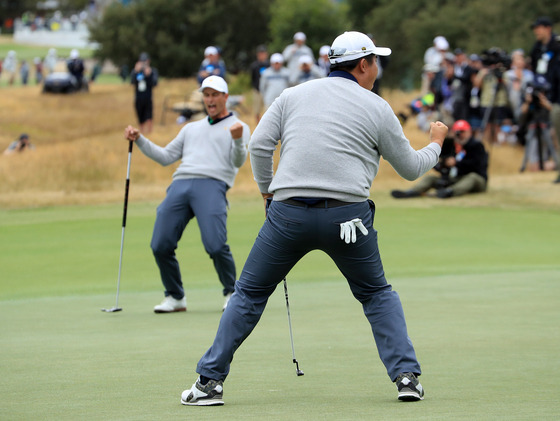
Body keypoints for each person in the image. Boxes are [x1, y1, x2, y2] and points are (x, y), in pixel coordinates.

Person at [181, 31, 448, 406]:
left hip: (287, 215)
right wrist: (436, 142)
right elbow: (410, 169)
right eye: (375, 60)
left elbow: (259, 145)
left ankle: (208, 384)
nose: (378, 68)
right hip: (349, 220)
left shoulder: (293, 94)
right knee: (375, 294)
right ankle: (406, 377)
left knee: (249, 294)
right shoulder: (377, 106)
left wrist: (266, 191)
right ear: (362, 65)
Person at [124, 76, 249, 314]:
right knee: (160, 243)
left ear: (225, 97)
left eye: (215, 95)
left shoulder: (239, 127)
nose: (210, 100)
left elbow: (238, 161)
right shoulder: (191, 128)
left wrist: (236, 142)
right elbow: (164, 157)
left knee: (215, 244)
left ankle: (232, 292)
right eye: (206, 95)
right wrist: (139, 140)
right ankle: (175, 296)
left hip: (213, 184)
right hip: (180, 184)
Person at [391, 119, 487, 199]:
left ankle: (449, 192)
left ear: (469, 132)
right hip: (455, 178)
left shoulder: (476, 145)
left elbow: (478, 165)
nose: (459, 135)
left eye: (462, 132)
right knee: (430, 178)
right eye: (457, 132)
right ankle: (412, 192)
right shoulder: (451, 145)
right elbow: (442, 161)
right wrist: (440, 164)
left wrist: (456, 163)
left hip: (476, 180)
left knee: (472, 178)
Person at [528, 16, 560, 183]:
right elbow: (536, 72)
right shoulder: (537, 48)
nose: (536, 31)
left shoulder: (557, 45)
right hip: (545, 96)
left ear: (548, 28)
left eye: (538, 27)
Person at [130, 52, 158, 134]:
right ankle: (141, 132)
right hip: (138, 97)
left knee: (149, 115)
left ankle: (150, 132)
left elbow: (154, 83)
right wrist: (135, 72)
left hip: (148, 97)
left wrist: (149, 75)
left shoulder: (152, 71)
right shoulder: (136, 71)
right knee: (140, 115)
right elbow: (132, 82)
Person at [249, 45, 269, 123]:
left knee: (267, 109)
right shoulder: (254, 66)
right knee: (257, 110)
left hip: (267, 91)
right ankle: (258, 124)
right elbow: (253, 78)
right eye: (260, 53)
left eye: (263, 53)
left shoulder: (269, 65)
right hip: (257, 90)